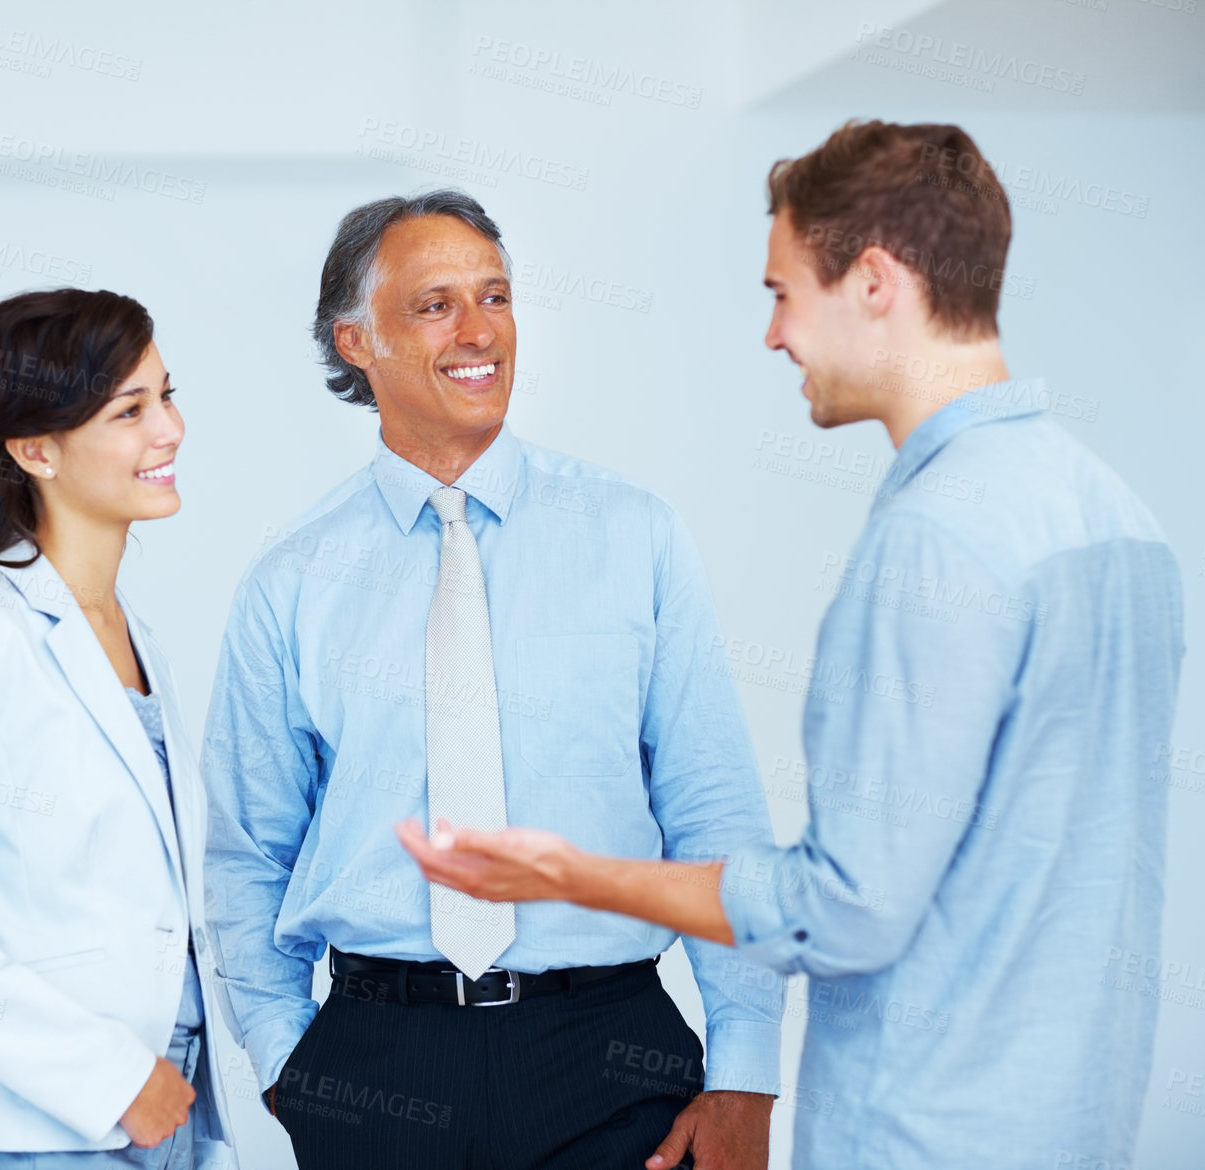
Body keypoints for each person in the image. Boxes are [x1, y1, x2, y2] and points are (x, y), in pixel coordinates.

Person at [399, 121, 1186, 1170]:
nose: (773, 336)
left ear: (871, 281)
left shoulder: (934, 539)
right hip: (1077, 1128)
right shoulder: (1114, 516)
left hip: (923, 1134)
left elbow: (845, 908)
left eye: (782, 293)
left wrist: (576, 875)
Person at [201, 190, 783, 1170]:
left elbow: (713, 814)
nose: (478, 332)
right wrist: (286, 1064)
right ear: (355, 340)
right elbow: (247, 857)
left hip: (612, 1056)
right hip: (376, 1061)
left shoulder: (634, 536)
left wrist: (745, 1072)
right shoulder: (290, 582)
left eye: (495, 296)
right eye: (434, 304)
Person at [0, 289, 236, 1169]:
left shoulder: (135, 637)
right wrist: (110, 1078)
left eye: (167, 397)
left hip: (173, 1108)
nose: (168, 431)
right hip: (45, 1129)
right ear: (35, 449)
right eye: (129, 411)